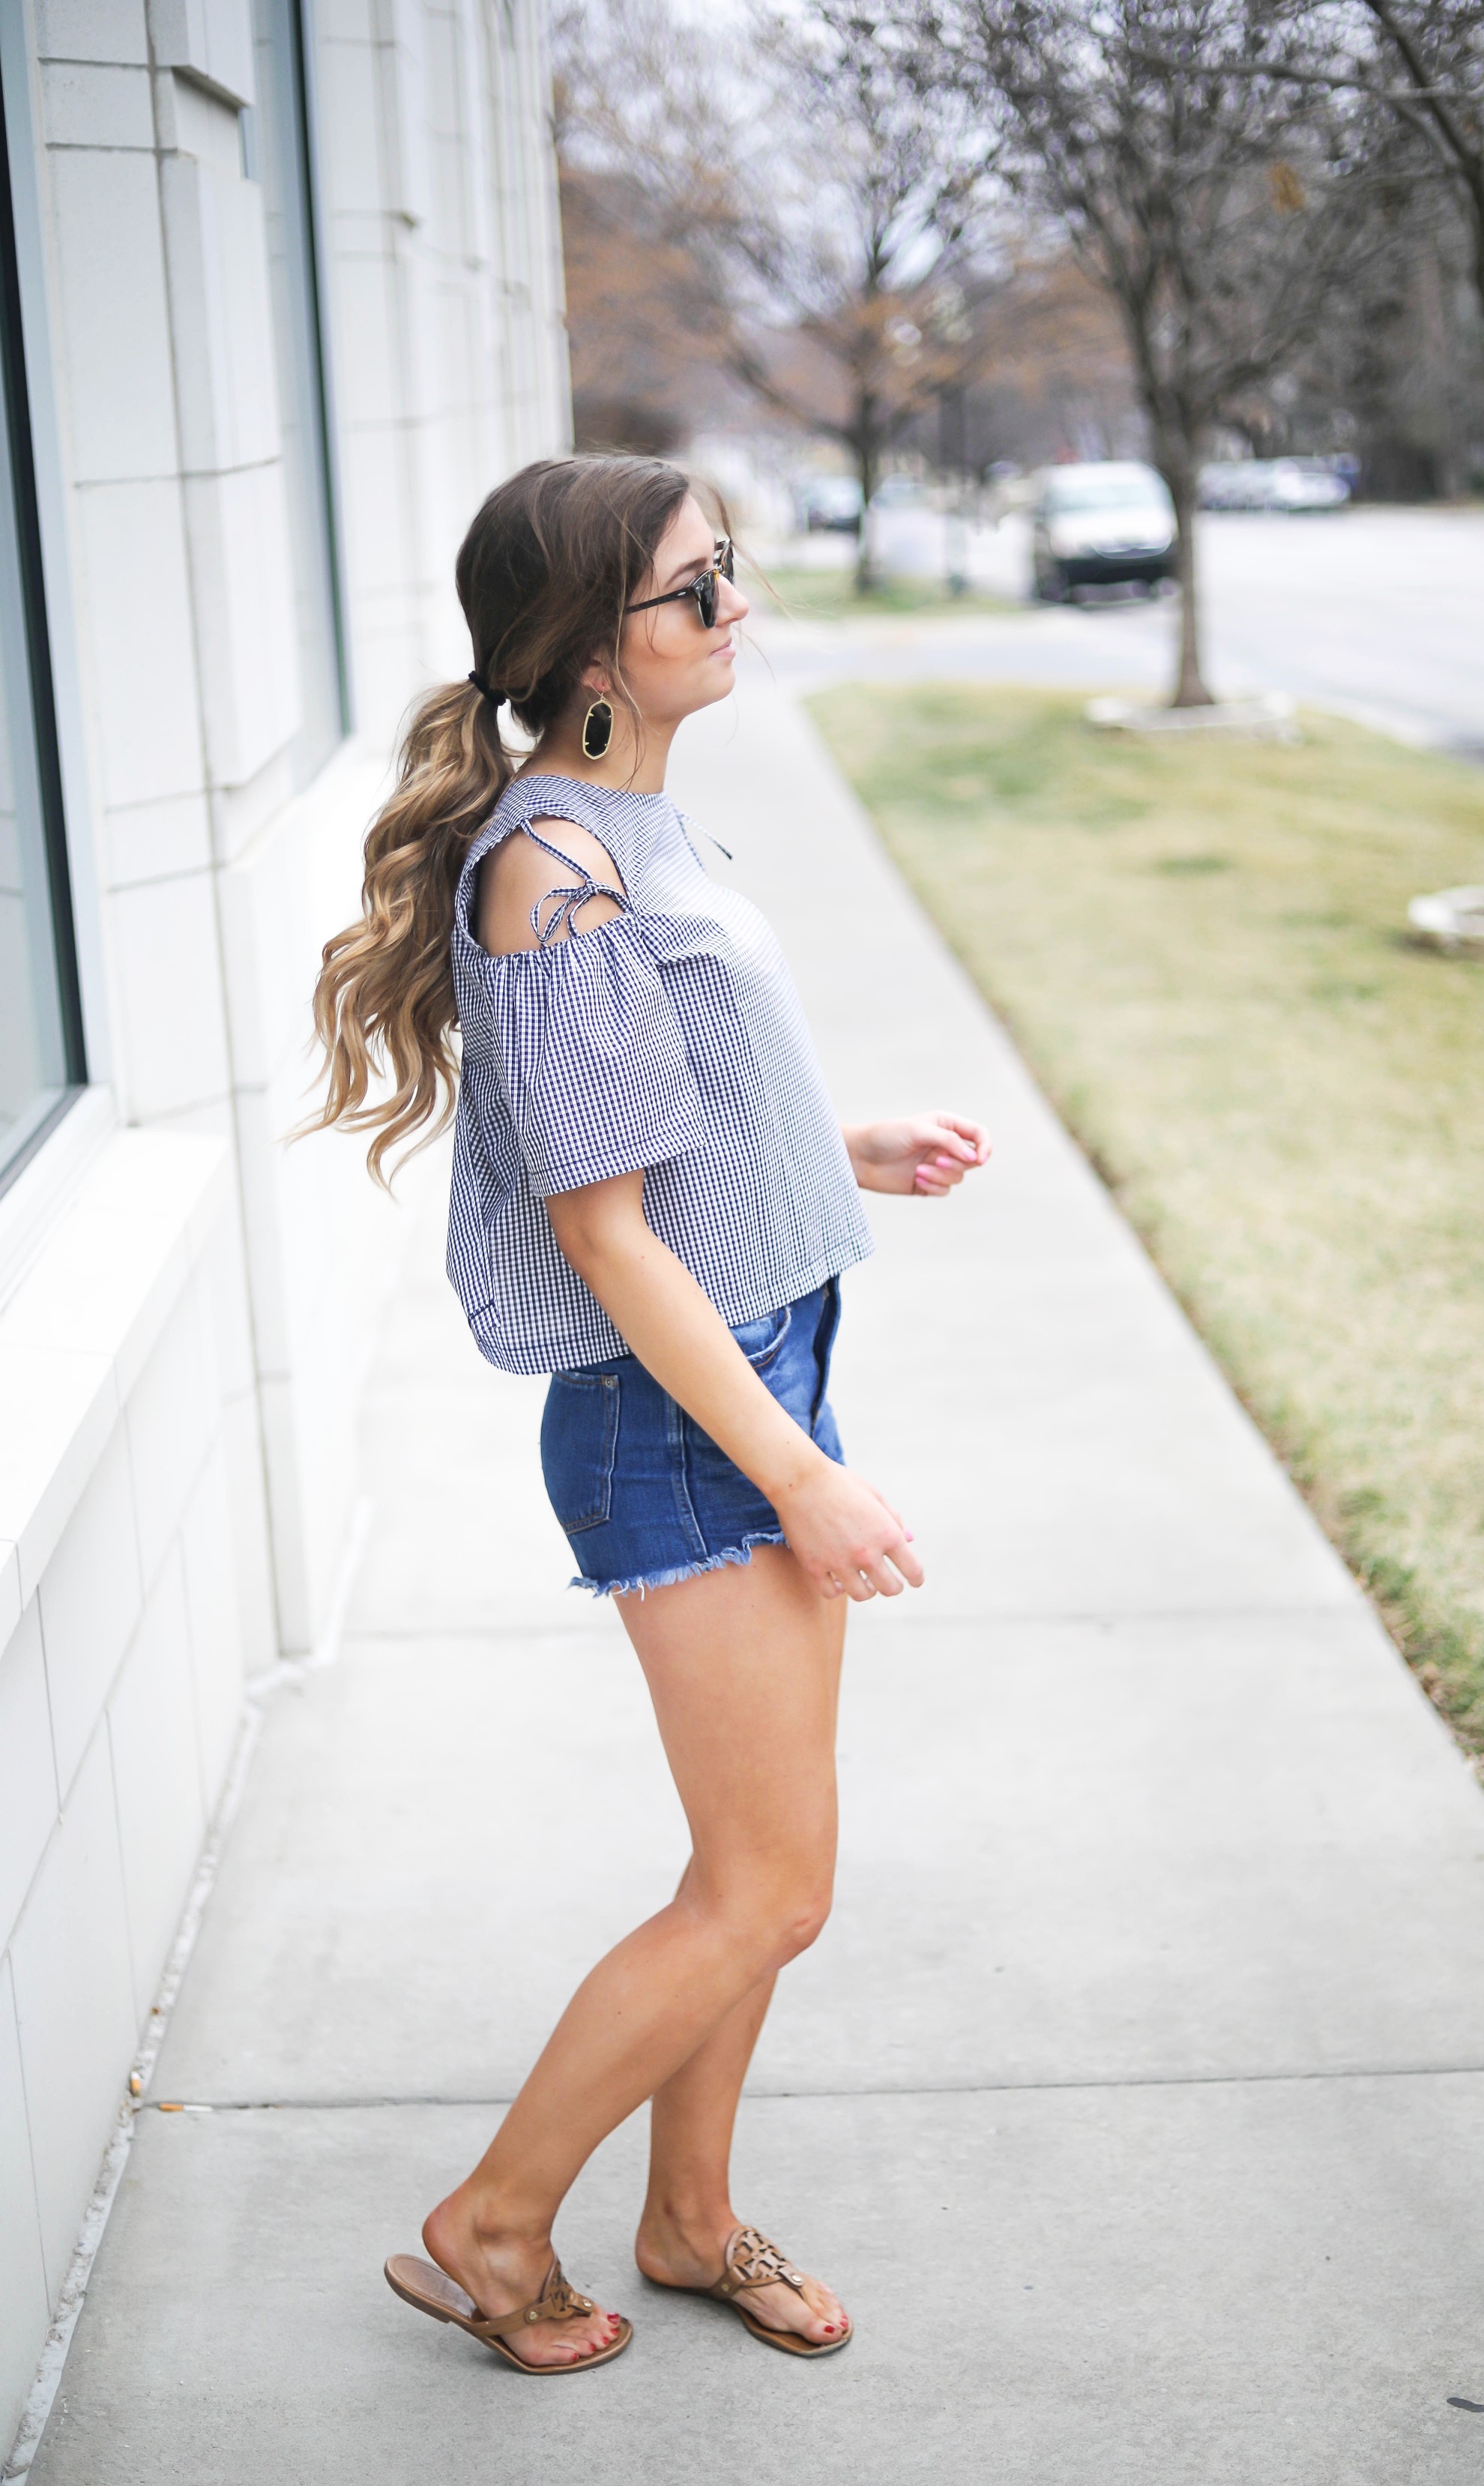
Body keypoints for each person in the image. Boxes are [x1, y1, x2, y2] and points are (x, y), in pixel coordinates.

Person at [306, 454, 989, 2374]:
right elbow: (601, 1236)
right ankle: (491, 2225)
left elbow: (657, 1127)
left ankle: (687, 2225)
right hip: (685, 1421)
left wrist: (842, 1149)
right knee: (765, 1890)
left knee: (760, 1891)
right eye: (698, 589)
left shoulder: (631, 822)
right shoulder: (555, 869)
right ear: (589, 640)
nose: (734, 608)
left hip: (756, 1371)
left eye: (730, 574)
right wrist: (800, 1475)